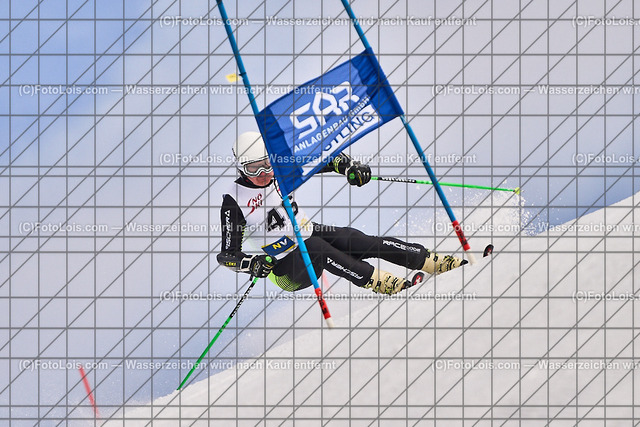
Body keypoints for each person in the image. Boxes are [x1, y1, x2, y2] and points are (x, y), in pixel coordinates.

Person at [217, 132, 467, 295]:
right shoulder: (234, 200)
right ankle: (382, 282)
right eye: (253, 169)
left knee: (355, 239)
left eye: (267, 164)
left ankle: (430, 261)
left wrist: (350, 167)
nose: (263, 174)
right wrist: (250, 264)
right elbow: (227, 255)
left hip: (307, 232)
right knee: (315, 247)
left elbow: (326, 158)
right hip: (286, 269)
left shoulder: (282, 167)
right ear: (241, 169)